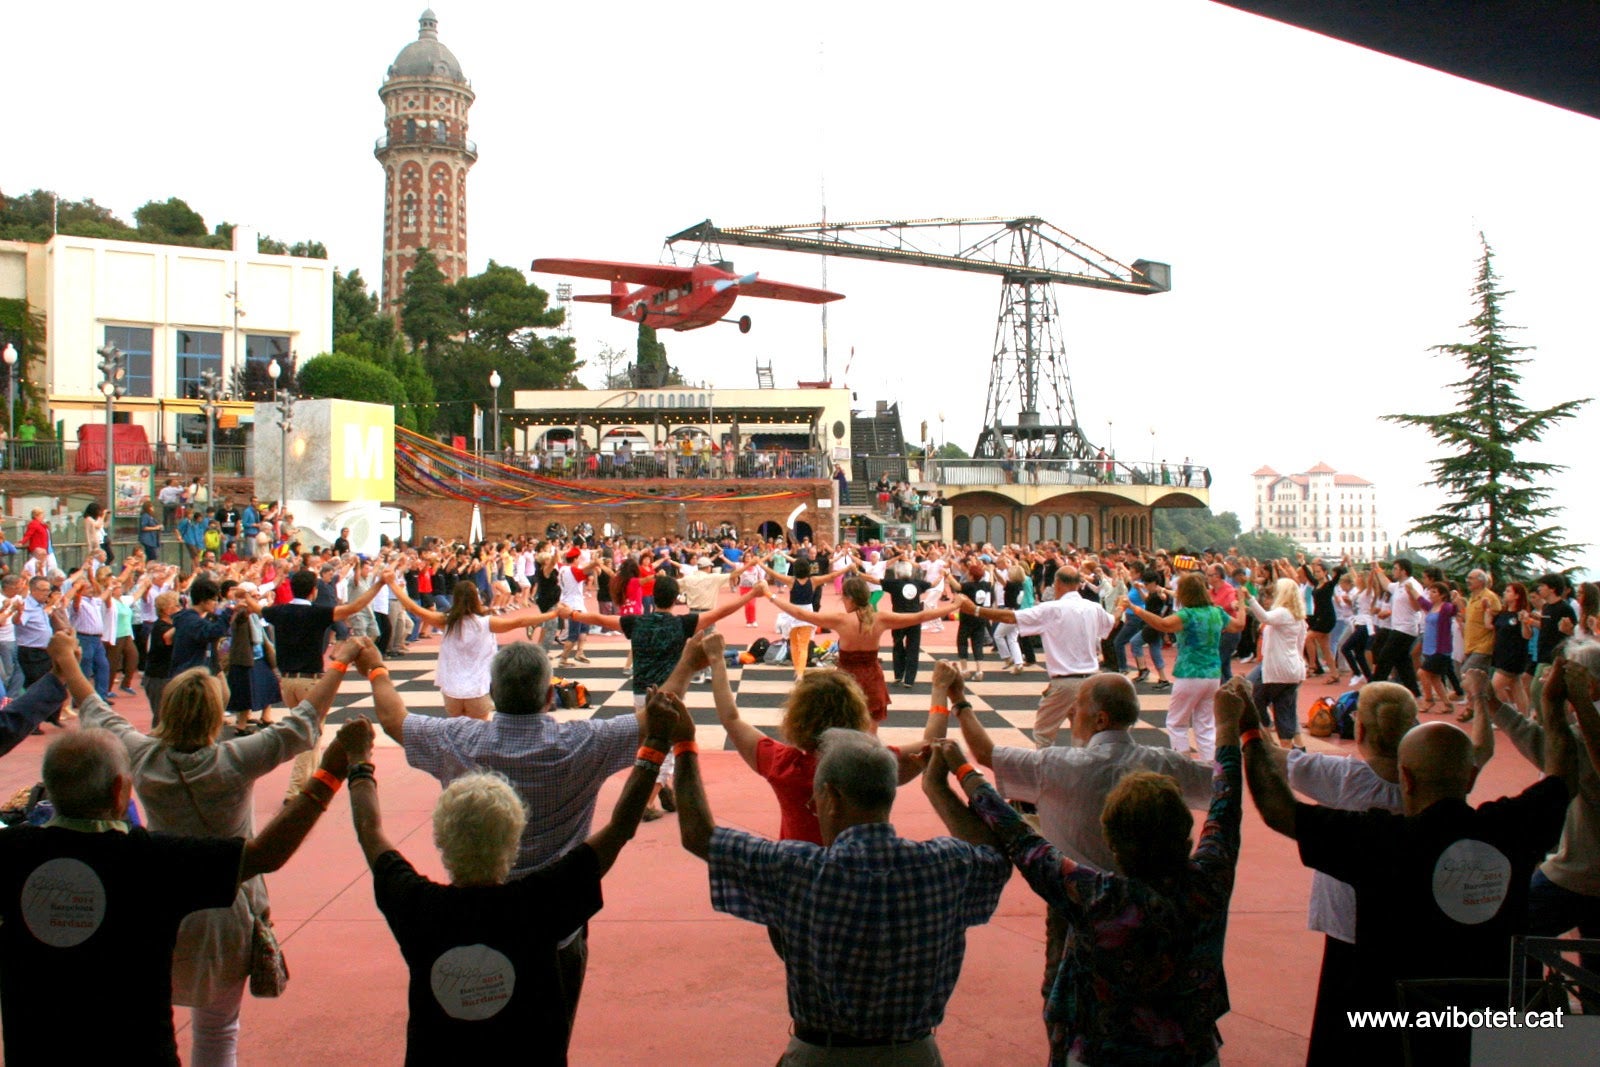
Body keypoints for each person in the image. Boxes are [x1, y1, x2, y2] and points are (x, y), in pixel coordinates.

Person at [0, 636, 358, 1067]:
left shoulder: (138, 757)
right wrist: (339, 670)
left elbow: (92, 705)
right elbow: (302, 724)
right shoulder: (233, 762)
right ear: (119, 791)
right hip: (222, 907)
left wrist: (63, 662)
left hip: (146, 912)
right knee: (218, 1031)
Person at [1242, 658, 1586, 1064]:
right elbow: (1564, 773)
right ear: (1470, 776)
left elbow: (1278, 811)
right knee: (1566, 1042)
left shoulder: (1379, 841)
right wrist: (1560, 705)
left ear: (1406, 778)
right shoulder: (1511, 827)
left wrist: (1246, 730)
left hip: (1388, 1029)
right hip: (1497, 1032)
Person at [349, 688, 683, 1064]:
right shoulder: (540, 904)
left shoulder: (417, 905)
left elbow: (370, 831)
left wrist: (359, 763)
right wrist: (655, 741)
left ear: (441, 836)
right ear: (514, 837)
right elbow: (620, 827)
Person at [946, 679, 1248, 1067]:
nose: (1071, 711)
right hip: (1192, 1050)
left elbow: (1021, 838)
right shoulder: (1208, 881)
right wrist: (1231, 727)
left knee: (1058, 987)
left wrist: (962, 768)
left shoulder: (1093, 895)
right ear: (1185, 837)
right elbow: (1226, 798)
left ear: (1118, 847)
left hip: (1102, 1052)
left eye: (1078, 705)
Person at [676, 720, 1010, 1064]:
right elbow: (996, 851)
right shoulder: (946, 866)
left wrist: (684, 743)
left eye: (815, 800)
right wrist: (938, 785)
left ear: (832, 797)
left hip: (821, 1055)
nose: (814, 809)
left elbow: (699, 834)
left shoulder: (798, 871)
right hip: (915, 1055)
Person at [1257, 681, 1416, 1064]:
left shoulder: (1343, 777)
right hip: (1413, 920)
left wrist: (1248, 720)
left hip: (1349, 926)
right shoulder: (1437, 774)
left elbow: (1273, 762)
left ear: (1359, 730)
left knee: (1343, 1022)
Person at [714, 634, 947, 844]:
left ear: (797, 719)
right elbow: (932, 743)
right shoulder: (874, 765)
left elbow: (731, 719)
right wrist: (941, 690)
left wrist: (716, 660)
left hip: (798, 870)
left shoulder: (782, 764)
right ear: (858, 713)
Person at [1478, 643, 1600, 1004]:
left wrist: (1500, 706)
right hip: (1584, 871)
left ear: (1587, 684)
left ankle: (1540, 1012)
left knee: (1511, 931)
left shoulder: (1582, 735)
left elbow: (1549, 752)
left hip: (1580, 872)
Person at [760, 574, 947, 727]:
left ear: (849, 598)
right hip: (873, 678)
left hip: (847, 680)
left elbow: (801, 614)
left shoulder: (841, 620)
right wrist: (954, 606)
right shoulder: (879, 618)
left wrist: (770, 595)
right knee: (871, 735)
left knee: (844, 729)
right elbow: (921, 615)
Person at [957, 565, 1114, 748]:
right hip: (1091, 681)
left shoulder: (1051, 609)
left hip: (1064, 683)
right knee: (1084, 735)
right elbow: (1112, 622)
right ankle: (1083, 767)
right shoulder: (1093, 608)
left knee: (1043, 734)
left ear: (1057, 584)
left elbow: (1010, 618)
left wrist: (975, 610)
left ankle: (1047, 771)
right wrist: (1122, 607)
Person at [385, 575, 555, 718]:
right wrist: (554, 613)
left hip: (452, 691)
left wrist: (392, 583)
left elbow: (414, 608)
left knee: (457, 735)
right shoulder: (486, 623)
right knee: (479, 737)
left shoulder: (446, 621)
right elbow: (519, 622)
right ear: (476, 598)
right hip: (478, 690)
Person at [1122, 571, 1244, 760]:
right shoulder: (1217, 612)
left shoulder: (1187, 615)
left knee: (1176, 724)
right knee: (1205, 726)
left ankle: (1184, 765)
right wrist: (1242, 601)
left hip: (1189, 674)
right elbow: (1239, 625)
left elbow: (1163, 624)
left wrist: (1135, 609)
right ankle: (1212, 769)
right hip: (1212, 674)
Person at [1246, 575, 1310, 748]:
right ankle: (1291, 751)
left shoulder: (1283, 613)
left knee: (1250, 694)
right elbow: (1299, 645)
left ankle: (1266, 736)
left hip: (1276, 666)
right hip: (1292, 668)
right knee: (1285, 710)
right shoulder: (1299, 617)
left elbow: (1265, 618)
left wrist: (1250, 599)